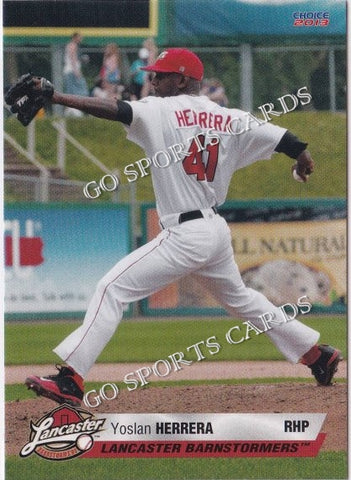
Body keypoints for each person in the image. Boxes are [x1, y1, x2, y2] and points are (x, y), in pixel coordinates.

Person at [25, 48, 342, 407]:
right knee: (242, 301)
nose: (153, 80)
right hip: (213, 229)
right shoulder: (230, 117)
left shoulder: (161, 109)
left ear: (182, 80)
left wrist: (55, 96)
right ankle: (317, 356)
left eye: (160, 75)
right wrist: (301, 158)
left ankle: (71, 380)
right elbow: (286, 139)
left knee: (112, 288)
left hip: (186, 233)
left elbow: (116, 109)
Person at [63, 32, 89, 116]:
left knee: (71, 90)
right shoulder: (73, 45)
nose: (81, 39)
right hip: (72, 71)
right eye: (79, 37)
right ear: (75, 37)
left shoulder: (71, 45)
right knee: (77, 89)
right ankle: (72, 109)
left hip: (70, 71)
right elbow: (73, 58)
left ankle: (72, 109)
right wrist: (76, 71)